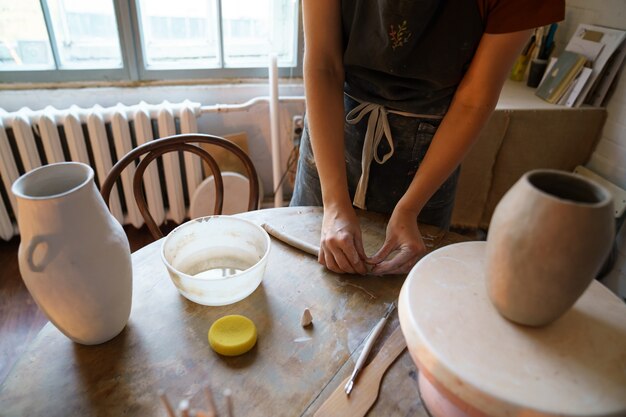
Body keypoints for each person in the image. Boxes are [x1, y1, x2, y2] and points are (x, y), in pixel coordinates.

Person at [290, 0, 565, 275]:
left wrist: (410, 208)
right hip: (335, 130)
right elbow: (324, 65)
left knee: (405, 295)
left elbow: (474, 98)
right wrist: (335, 203)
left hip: (429, 152)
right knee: (305, 278)